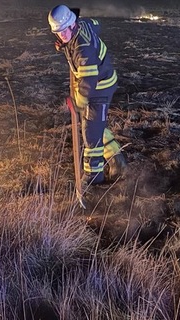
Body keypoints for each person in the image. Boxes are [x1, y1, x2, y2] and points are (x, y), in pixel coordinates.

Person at [48, 4, 127, 186]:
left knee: (91, 133)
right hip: (98, 81)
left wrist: (78, 102)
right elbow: (96, 24)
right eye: (58, 32)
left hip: (99, 87)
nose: (62, 35)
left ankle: (93, 178)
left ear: (72, 24)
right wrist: (64, 46)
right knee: (96, 126)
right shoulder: (83, 24)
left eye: (64, 31)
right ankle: (117, 161)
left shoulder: (83, 48)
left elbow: (88, 80)